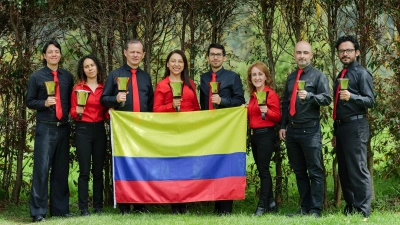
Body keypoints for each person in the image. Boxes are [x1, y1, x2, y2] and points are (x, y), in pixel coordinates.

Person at [100, 39, 153, 215]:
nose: (135, 55)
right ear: (125, 53)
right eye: (132, 52)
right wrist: (116, 99)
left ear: (143, 54)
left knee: (142, 166)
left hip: (143, 129)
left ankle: (140, 204)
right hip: (123, 129)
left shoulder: (146, 77)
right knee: (124, 165)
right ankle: (124, 205)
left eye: (139, 52)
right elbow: (103, 99)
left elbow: (150, 104)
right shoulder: (115, 74)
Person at [279, 41, 331, 217]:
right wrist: (282, 126)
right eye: (299, 52)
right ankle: (305, 208)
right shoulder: (292, 77)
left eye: (305, 53)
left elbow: (326, 98)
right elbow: (286, 103)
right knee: (300, 171)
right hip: (292, 131)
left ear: (311, 55)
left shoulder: (318, 76)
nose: (302, 56)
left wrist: (310, 96)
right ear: (294, 55)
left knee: (315, 171)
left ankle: (316, 210)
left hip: (310, 131)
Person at [26, 40, 74, 222]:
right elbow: (29, 101)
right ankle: (38, 211)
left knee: (61, 170)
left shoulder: (67, 77)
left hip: (63, 127)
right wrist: (44, 103)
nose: (54, 54)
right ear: (44, 56)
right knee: (41, 170)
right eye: (50, 52)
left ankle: (60, 210)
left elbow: (69, 101)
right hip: (45, 127)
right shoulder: (37, 77)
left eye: (57, 51)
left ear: (60, 55)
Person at [331, 35, 374, 220]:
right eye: (341, 51)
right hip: (341, 128)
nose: (345, 54)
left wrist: (353, 97)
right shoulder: (340, 75)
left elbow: (370, 101)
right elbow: (337, 106)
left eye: (348, 50)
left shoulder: (362, 73)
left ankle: (364, 211)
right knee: (345, 171)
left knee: (357, 169)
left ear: (356, 52)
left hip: (356, 125)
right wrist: (334, 132)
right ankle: (351, 207)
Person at [199, 43, 245, 215]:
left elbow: (240, 101)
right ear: (208, 57)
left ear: (224, 58)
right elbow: (202, 103)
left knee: (226, 165)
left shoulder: (232, 77)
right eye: (212, 54)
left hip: (226, 129)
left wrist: (223, 102)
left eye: (219, 54)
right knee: (212, 164)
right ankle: (215, 206)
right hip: (208, 128)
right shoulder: (203, 78)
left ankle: (226, 208)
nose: (215, 57)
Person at [153, 49, 200, 213]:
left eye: (180, 61)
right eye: (173, 61)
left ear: (184, 65)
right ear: (167, 64)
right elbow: (156, 110)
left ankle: (184, 205)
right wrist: (170, 106)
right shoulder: (162, 85)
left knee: (187, 168)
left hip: (188, 133)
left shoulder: (190, 84)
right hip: (170, 133)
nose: (176, 64)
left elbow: (196, 108)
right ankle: (175, 206)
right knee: (173, 169)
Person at [70, 55, 108, 216]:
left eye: (92, 65)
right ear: (83, 70)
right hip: (83, 130)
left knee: (98, 171)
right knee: (84, 171)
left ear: (97, 67)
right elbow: (72, 110)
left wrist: (111, 113)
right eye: (86, 66)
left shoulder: (104, 88)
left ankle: (98, 206)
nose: (90, 68)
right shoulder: (78, 89)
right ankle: (83, 208)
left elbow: (106, 111)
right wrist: (76, 112)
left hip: (99, 130)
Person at [246, 62, 281, 216]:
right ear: (250, 78)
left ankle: (261, 206)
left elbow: (278, 116)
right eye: (254, 75)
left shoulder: (270, 94)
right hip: (254, 136)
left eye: (260, 74)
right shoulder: (252, 96)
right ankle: (271, 203)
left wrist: (267, 110)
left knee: (264, 171)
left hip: (266, 135)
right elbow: (251, 116)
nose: (257, 77)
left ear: (266, 77)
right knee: (262, 170)